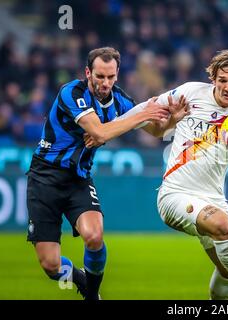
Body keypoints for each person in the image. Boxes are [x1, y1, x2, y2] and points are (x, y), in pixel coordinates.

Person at [115, 50, 228, 300]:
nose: (227, 87)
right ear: (213, 79)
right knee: (222, 226)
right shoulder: (189, 93)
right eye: (222, 80)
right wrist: (108, 128)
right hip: (175, 194)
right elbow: (147, 110)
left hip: (213, 197)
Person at [26, 47, 187, 300]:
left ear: (117, 74)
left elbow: (155, 132)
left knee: (94, 235)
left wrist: (173, 120)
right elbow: (100, 133)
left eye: (111, 77)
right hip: (44, 176)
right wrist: (140, 114)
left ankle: (92, 295)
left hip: (78, 178)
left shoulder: (120, 100)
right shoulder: (72, 93)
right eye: (100, 76)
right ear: (88, 72)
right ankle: (79, 278)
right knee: (51, 265)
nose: (105, 83)